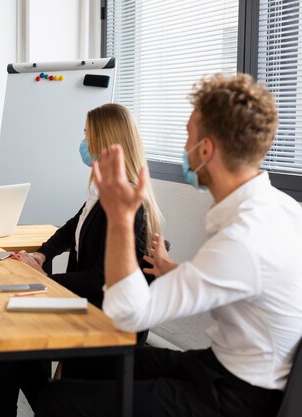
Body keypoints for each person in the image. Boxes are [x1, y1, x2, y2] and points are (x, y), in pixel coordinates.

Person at [36, 73, 302, 417]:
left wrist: (120, 219)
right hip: (224, 367)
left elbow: (128, 313)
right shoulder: (281, 209)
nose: (184, 144)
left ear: (206, 149)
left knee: (57, 401)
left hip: (236, 397)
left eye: (188, 134)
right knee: (110, 361)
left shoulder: (241, 237)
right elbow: (242, 280)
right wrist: (172, 269)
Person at [0, 103, 163, 417]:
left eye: (87, 135)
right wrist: (42, 254)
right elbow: (72, 227)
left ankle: (46, 402)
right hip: (88, 303)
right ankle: (45, 402)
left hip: (104, 319)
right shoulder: (104, 191)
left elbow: (101, 278)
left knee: (8, 337)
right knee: (8, 335)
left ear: (107, 142)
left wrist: (40, 280)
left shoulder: (127, 203)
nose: (83, 143)